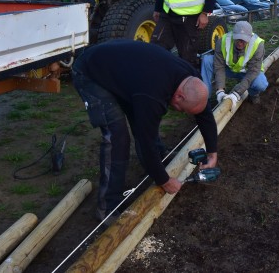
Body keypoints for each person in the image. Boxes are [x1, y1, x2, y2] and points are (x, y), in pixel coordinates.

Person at [71, 40, 218, 222]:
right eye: (182, 109)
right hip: (91, 73)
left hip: (127, 74)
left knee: (144, 119)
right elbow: (144, 139)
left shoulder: (191, 78)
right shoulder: (152, 94)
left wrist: (212, 151)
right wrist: (164, 181)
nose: (180, 112)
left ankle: (159, 160)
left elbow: (204, 113)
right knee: (118, 138)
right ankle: (107, 208)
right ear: (180, 96)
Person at [201, 20, 269, 107]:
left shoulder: (257, 45)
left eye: (244, 40)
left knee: (261, 84)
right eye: (238, 38)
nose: (240, 43)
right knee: (207, 60)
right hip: (230, 69)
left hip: (247, 72)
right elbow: (219, 67)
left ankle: (253, 94)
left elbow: (253, 71)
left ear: (250, 37)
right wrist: (220, 90)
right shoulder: (223, 41)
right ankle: (205, 98)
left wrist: (237, 93)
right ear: (233, 34)